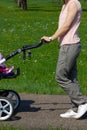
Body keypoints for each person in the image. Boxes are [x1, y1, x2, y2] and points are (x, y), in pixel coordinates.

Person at [41, 0, 87, 119]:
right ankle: (75, 108)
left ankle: (82, 102)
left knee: (60, 76)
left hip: (70, 45)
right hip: (66, 45)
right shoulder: (65, 4)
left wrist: (51, 38)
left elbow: (66, 25)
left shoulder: (73, 3)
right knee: (71, 77)